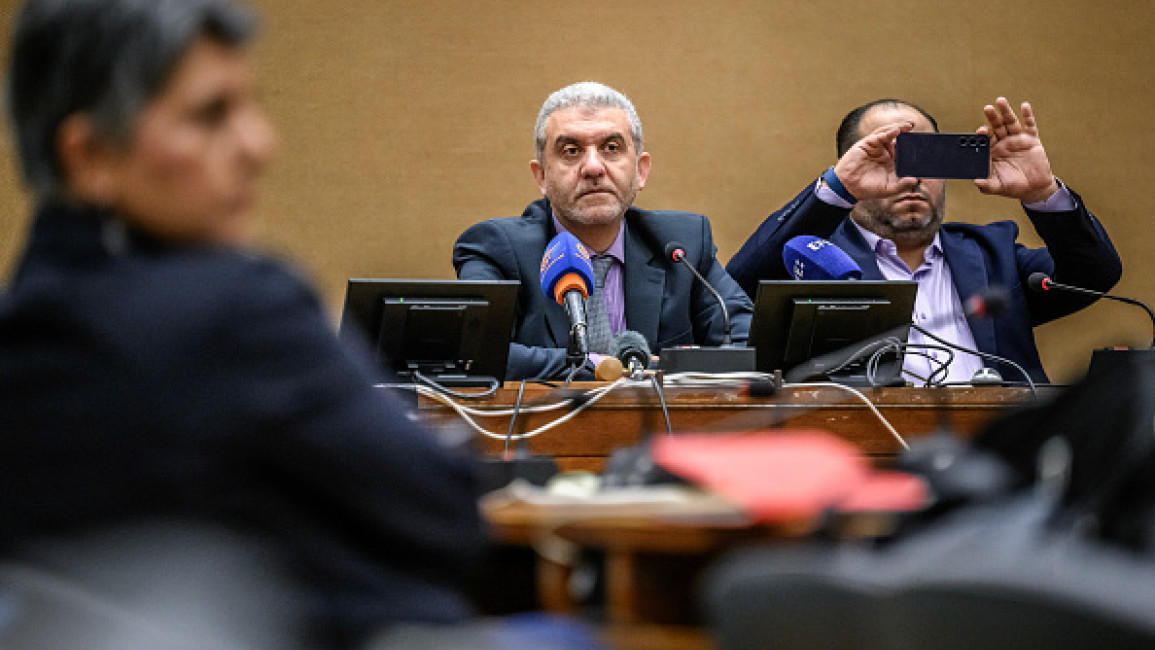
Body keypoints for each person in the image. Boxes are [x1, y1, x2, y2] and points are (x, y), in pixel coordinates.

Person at [0, 1, 489, 648]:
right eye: (210, 115)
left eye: (249, 106)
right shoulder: (239, 311)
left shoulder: (22, 335)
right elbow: (446, 515)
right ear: (89, 154)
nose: (260, 144)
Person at [726, 98, 1122, 385]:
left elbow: (1094, 273)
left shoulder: (992, 254)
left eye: (926, 158)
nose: (912, 177)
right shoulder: (816, 260)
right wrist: (836, 189)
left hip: (998, 456)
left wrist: (1041, 193)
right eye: (889, 158)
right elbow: (740, 284)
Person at [453, 82, 753, 381]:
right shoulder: (496, 250)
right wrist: (598, 366)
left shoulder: (681, 246)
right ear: (541, 176)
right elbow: (474, 353)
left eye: (611, 148)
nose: (593, 167)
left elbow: (750, 344)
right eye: (571, 151)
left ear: (640, 170)